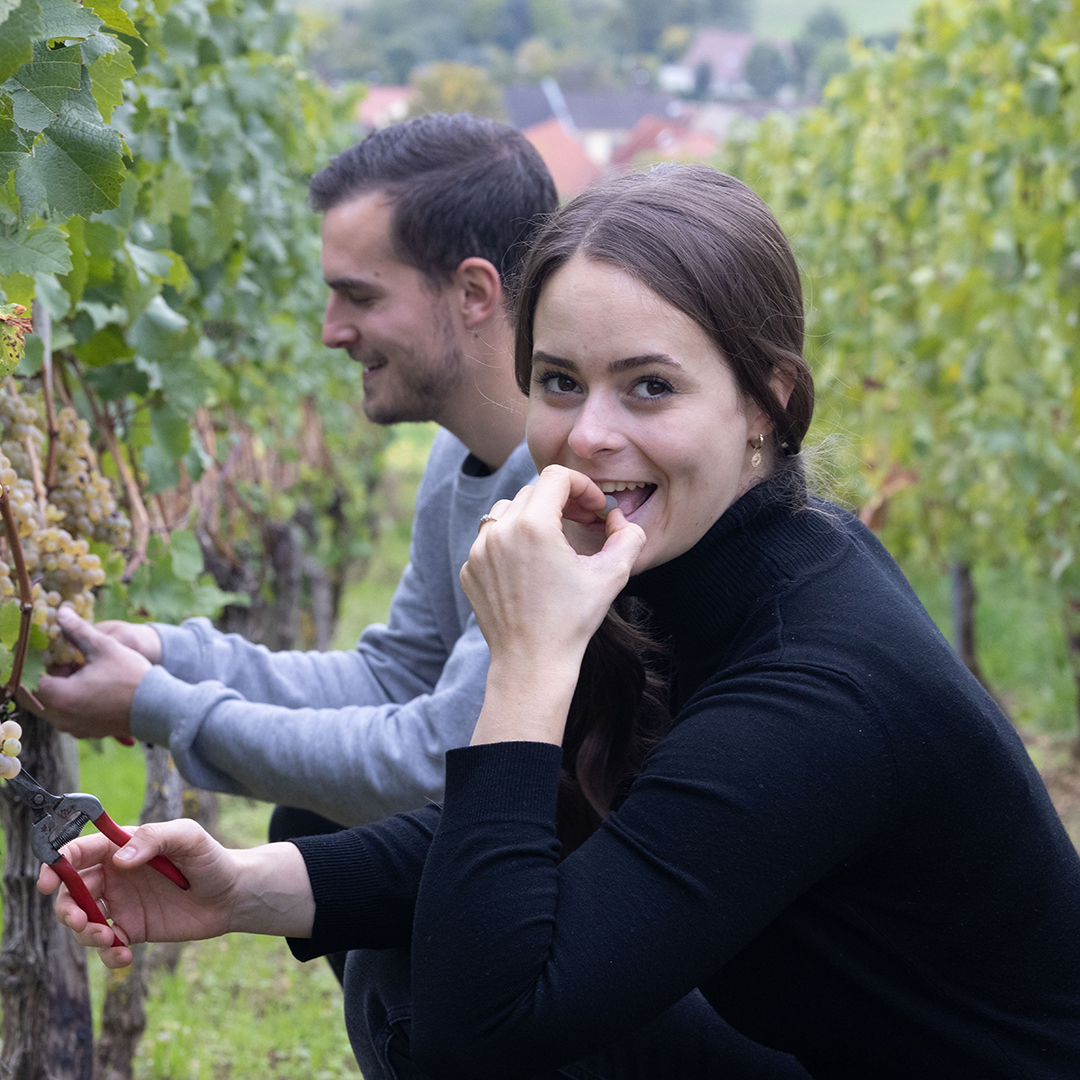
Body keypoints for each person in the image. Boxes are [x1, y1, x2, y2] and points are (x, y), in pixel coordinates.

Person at [42, 165, 1080, 1080]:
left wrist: (531, 657)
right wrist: (245, 890)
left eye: (651, 387)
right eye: (559, 382)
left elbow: (479, 1030)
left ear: (766, 405)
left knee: (463, 976)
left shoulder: (819, 678)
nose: (589, 435)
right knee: (415, 918)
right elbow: (571, 817)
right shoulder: (695, 558)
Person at [26, 112, 555, 828]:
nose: (331, 330)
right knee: (310, 822)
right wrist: (168, 654)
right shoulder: (457, 459)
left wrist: (154, 704)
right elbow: (392, 679)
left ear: (473, 293)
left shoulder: (567, 495)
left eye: (360, 295)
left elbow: (439, 758)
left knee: (317, 825)